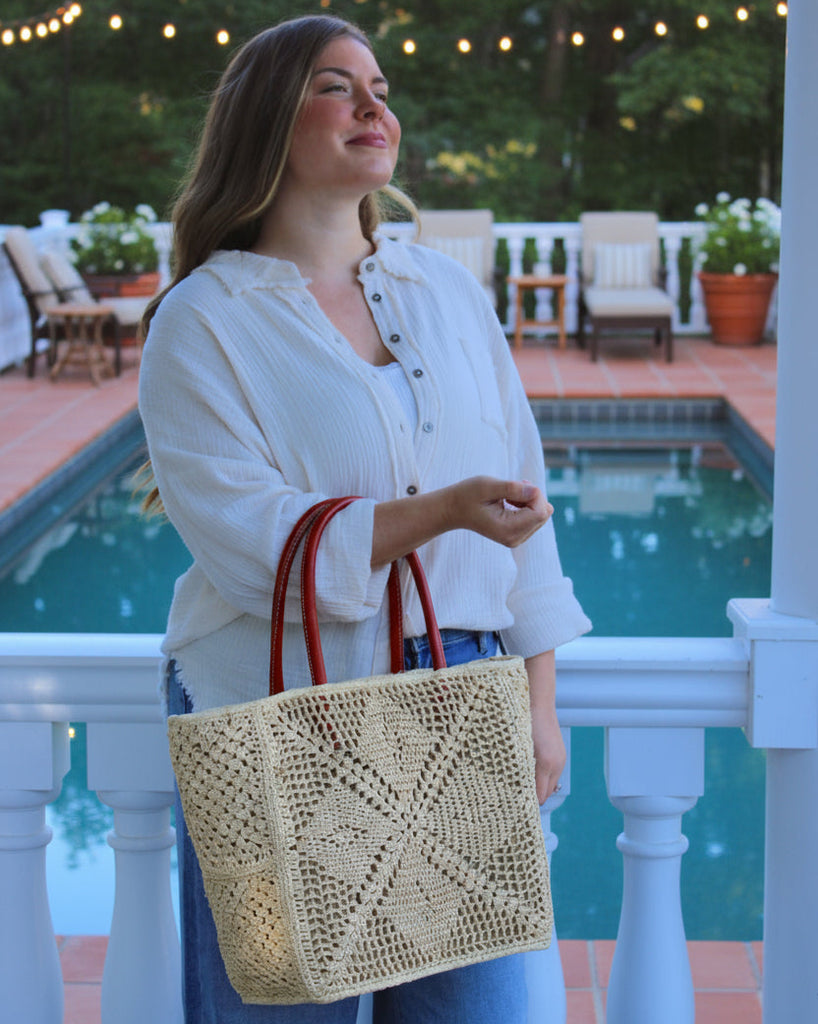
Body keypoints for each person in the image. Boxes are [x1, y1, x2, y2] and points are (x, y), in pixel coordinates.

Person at [138, 14, 591, 1024]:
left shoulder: (447, 292)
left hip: (461, 693)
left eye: (379, 88)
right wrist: (439, 513)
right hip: (279, 701)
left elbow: (525, 499)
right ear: (267, 118)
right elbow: (254, 544)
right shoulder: (201, 321)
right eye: (335, 86)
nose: (372, 106)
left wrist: (539, 698)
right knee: (281, 1005)